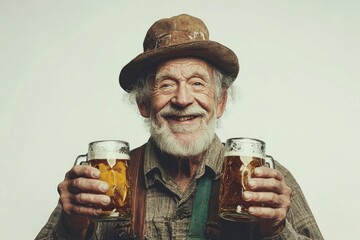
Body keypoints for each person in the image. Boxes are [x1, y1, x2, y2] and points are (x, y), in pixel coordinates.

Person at [36, 14, 323, 240]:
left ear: (220, 102)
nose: (183, 99)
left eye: (197, 83)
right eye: (167, 84)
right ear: (144, 104)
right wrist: (72, 225)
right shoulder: (103, 181)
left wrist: (274, 229)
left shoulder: (266, 182)